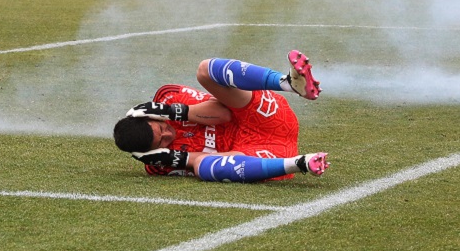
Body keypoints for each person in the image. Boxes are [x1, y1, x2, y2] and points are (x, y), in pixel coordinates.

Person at [111, 51, 328, 183]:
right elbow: (201, 164)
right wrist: (182, 160)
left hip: (264, 116)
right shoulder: (156, 164)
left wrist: (175, 111)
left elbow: (223, 114)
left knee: (204, 70)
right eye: (162, 141)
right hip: (264, 156)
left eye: (162, 128)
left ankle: (287, 83)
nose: (168, 134)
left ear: (150, 117)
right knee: (202, 168)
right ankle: (300, 163)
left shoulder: (166, 98)